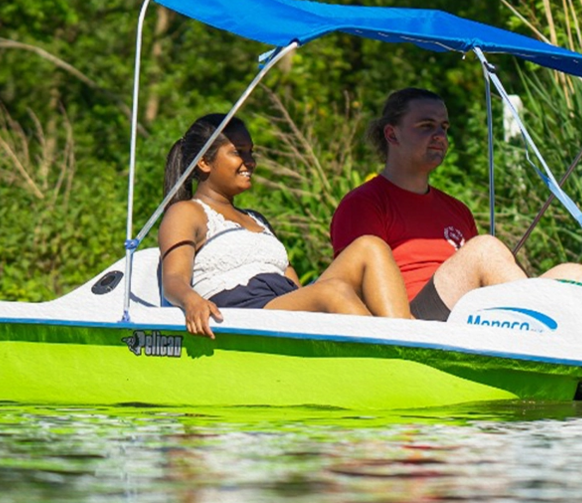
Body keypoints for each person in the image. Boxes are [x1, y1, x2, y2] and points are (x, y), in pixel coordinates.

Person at [329, 88, 582, 321]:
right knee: (484, 249)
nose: (439, 135)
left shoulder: (456, 209)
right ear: (392, 134)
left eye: (443, 127)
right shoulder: (364, 203)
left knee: (577, 274)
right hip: (409, 321)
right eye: (426, 126)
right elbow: (353, 286)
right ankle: (541, 332)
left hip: (466, 315)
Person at [159, 113, 414, 337]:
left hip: (279, 304)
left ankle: (407, 339)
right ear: (204, 162)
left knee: (370, 246)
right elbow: (173, 279)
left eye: (251, 152)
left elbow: (295, 287)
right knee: (334, 291)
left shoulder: (256, 219)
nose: (250, 161)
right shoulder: (187, 212)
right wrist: (191, 301)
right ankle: (392, 361)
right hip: (242, 310)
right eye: (238, 152)